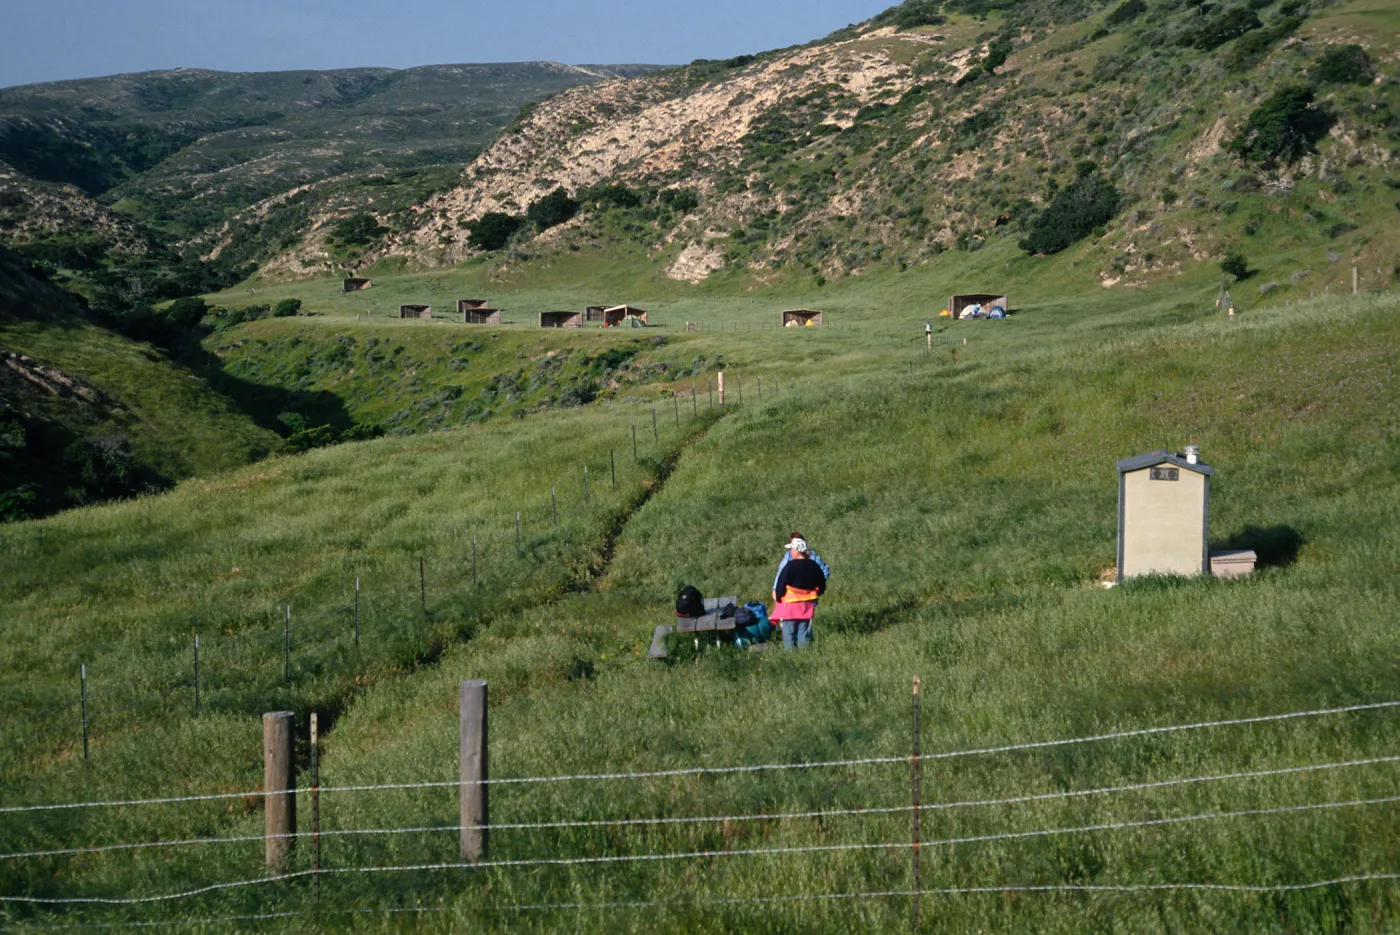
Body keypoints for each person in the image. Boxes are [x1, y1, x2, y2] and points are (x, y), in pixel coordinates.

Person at [771, 537, 827, 649]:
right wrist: (815, 595)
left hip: (790, 606)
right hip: (807, 606)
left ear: (797, 550)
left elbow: (781, 584)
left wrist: (778, 598)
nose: (790, 552)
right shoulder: (814, 566)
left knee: (789, 636)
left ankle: (791, 660)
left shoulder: (790, 566)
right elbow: (822, 585)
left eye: (792, 549)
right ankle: (804, 657)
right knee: (804, 635)